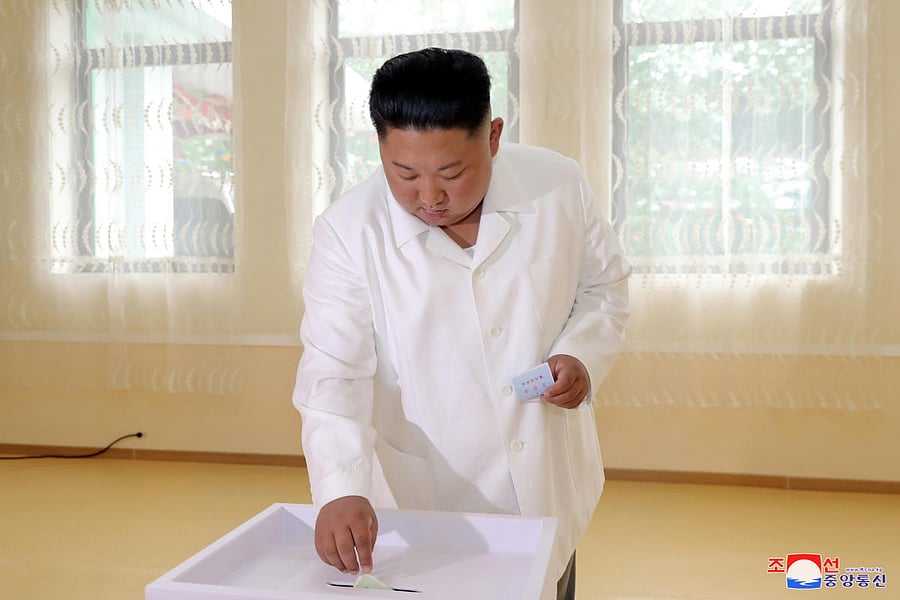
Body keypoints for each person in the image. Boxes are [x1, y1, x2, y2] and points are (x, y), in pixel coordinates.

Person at [292, 47, 631, 600]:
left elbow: (603, 288)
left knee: (550, 580)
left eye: (452, 172)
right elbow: (336, 370)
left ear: (493, 136)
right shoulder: (348, 231)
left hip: (546, 480)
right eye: (404, 173)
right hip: (427, 497)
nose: (429, 197)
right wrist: (339, 486)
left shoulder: (557, 185)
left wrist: (581, 354)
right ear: (379, 146)